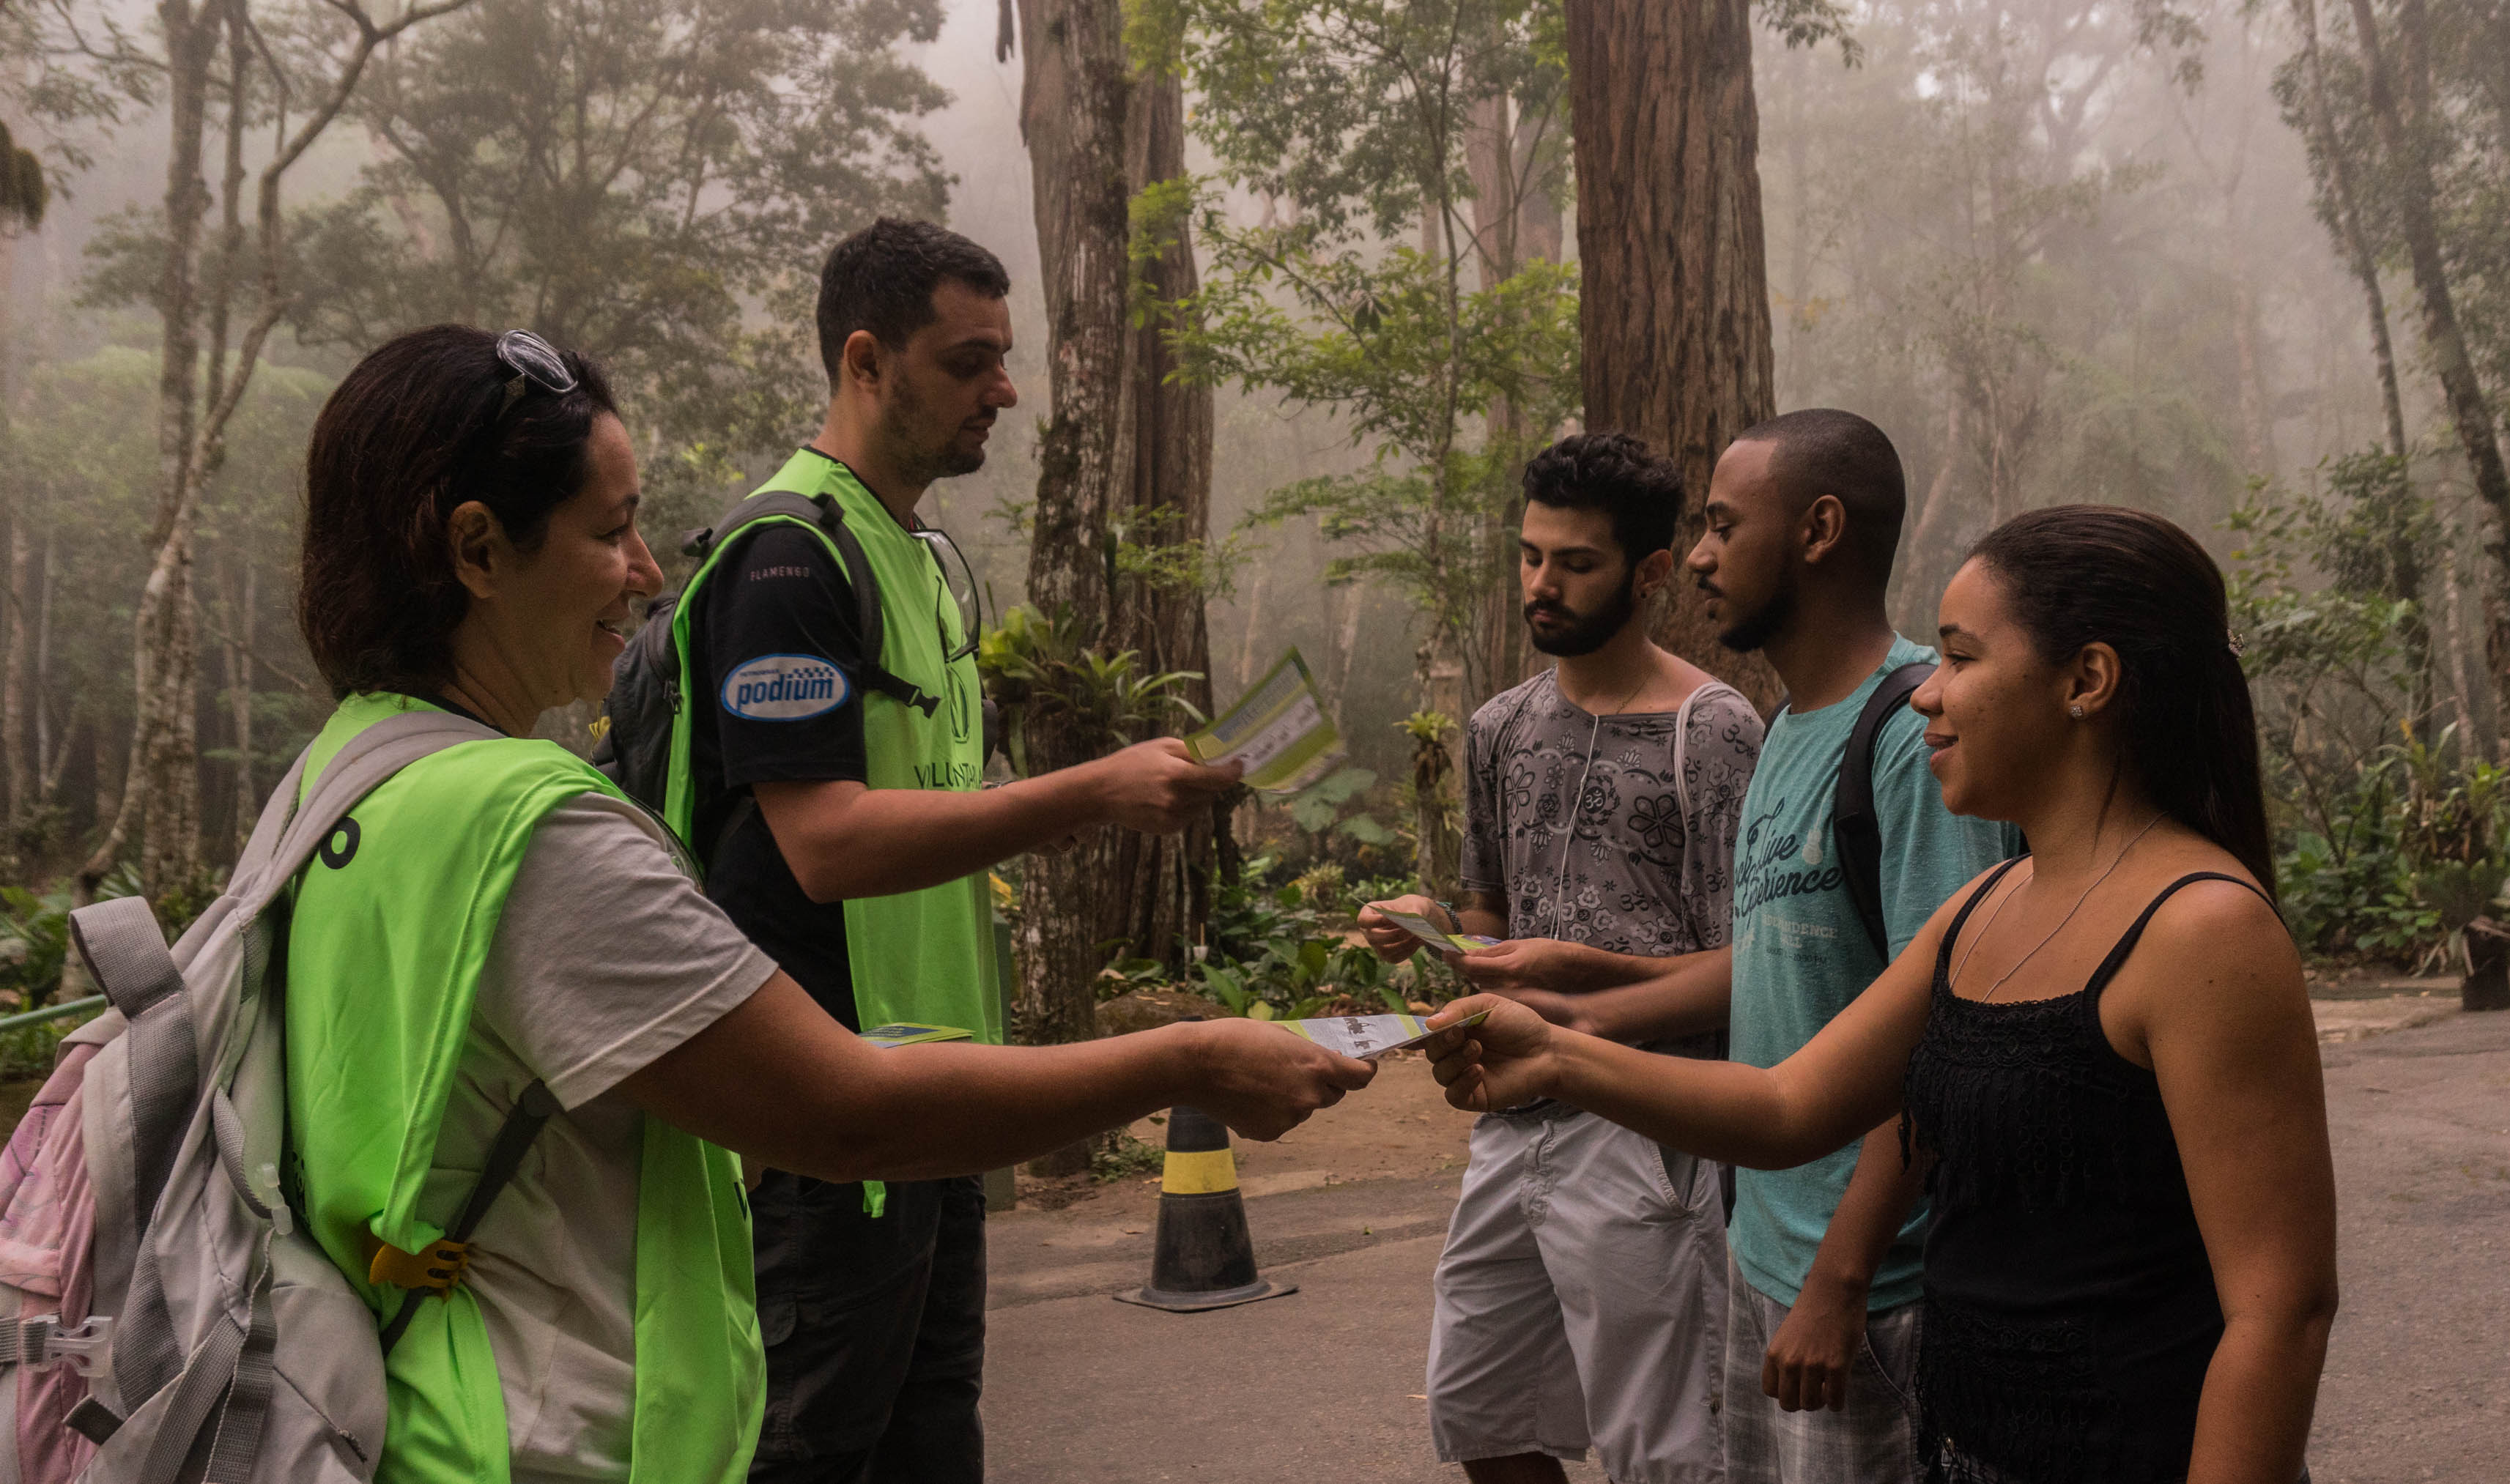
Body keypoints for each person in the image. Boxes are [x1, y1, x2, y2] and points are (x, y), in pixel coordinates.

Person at [284, 324, 1376, 1484]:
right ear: (477, 548)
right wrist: (1189, 1057)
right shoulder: (541, 821)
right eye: (611, 532)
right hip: (543, 1430)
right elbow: (846, 1106)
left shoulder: (344, 781)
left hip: (412, 1395)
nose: (650, 571)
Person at [1424, 503, 2340, 1484]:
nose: (1924, 697)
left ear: (2087, 680)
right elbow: (1787, 1105)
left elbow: (2279, 1310)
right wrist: (1559, 1053)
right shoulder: (1984, 907)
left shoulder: (2202, 929)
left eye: (1961, 660)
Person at [654, 218, 1240, 1484]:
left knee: (931, 1448)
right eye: (971, 361)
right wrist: (1089, 791)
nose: (1007, 391)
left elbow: (924, 801)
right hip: (821, 1128)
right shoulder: (784, 556)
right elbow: (827, 843)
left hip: (932, 1103)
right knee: (811, 1451)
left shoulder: (914, 556)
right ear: (867, 362)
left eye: (1006, 358)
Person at [1445, 411, 2019, 1483]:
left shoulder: (1905, 736)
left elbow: (1950, 1031)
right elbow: (1767, 974)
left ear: (1819, 530)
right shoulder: (1797, 727)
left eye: (1720, 526)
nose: (1700, 557)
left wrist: (1843, 1276)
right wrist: (1567, 980)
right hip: (1763, 1250)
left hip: (1874, 1286)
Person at [1355, 432, 1765, 1484]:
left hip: (1651, 1126)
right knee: (1482, 1409)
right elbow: (1493, 930)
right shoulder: (1499, 726)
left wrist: (1579, 1010)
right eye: (1532, 554)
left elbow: (1753, 966)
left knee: (1667, 1445)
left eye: (1576, 562)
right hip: (1511, 1119)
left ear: (1652, 572)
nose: (1543, 582)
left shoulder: (1710, 730)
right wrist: (1433, 926)